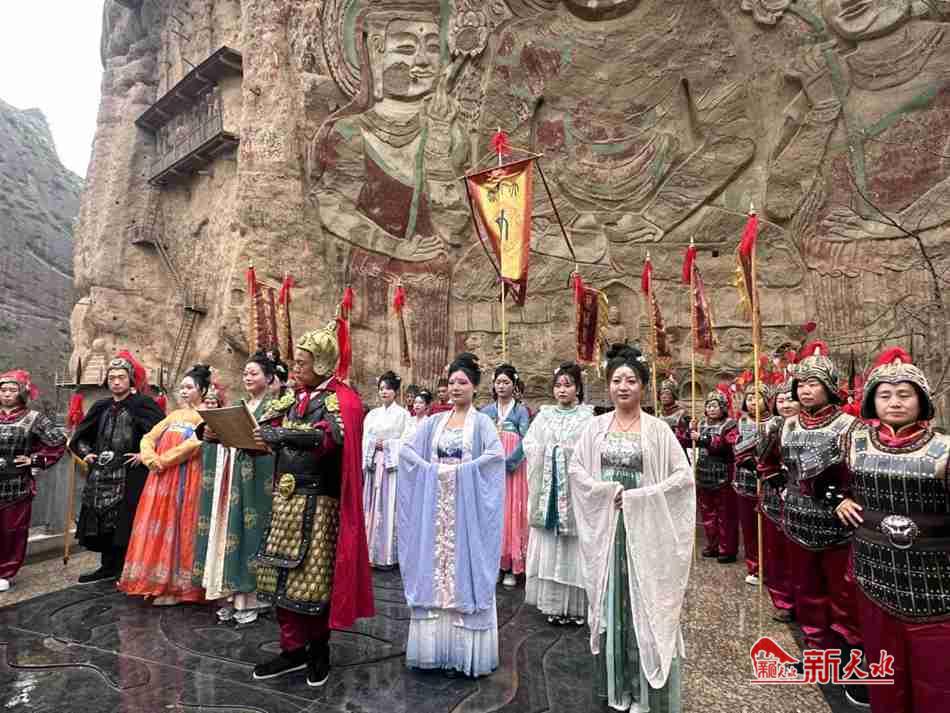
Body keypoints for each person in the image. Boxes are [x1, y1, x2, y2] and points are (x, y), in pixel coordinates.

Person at [569, 344, 694, 712]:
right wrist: (605, 491)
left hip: (646, 529)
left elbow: (683, 477)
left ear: (643, 386)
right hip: (609, 529)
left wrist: (641, 497)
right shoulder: (595, 428)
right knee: (613, 602)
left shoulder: (658, 430)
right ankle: (619, 686)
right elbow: (577, 469)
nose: (623, 387)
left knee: (646, 600)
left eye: (631, 381)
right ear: (608, 385)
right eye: (616, 381)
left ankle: (645, 692)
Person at [252, 321, 373, 687]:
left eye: (303, 362)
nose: (297, 367)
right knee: (279, 575)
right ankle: (292, 649)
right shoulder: (291, 398)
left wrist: (282, 433)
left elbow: (331, 437)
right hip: (285, 500)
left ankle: (318, 650)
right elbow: (262, 430)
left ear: (321, 363)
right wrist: (219, 432)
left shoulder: (342, 399)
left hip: (319, 503)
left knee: (313, 580)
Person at [834, 348, 950, 713]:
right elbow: (824, 482)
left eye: (904, 394)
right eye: (885, 395)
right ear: (872, 401)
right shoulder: (854, 443)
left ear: (922, 401)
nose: (895, 402)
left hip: (936, 581)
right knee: (886, 675)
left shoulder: (945, 449)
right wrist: (838, 500)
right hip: (873, 573)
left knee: (937, 679)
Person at [398, 352, 505, 677]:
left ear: (475, 387)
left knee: (464, 570)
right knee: (433, 569)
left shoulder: (483, 424)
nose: (456, 387)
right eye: (452, 382)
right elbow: (407, 450)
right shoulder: (434, 422)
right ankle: (434, 651)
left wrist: (460, 473)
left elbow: (495, 457)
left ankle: (462, 653)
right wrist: (431, 471)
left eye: (463, 382)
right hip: (435, 512)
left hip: (467, 513)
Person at [781, 342, 864, 703]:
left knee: (843, 597)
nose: (805, 390)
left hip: (838, 526)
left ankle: (850, 661)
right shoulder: (788, 425)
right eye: (800, 384)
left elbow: (861, 476)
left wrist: (841, 499)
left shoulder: (851, 426)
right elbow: (781, 467)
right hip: (798, 520)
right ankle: (817, 653)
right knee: (807, 591)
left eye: (813, 383)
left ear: (829, 387)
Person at [194, 354, 276, 625]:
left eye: (254, 373)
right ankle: (228, 595)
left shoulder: (274, 408)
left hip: (258, 478)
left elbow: (275, 444)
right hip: (233, 476)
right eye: (245, 373)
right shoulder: (241, 405)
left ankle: (252, 599)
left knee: (251, 534)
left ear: (269, 378)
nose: (248, 377)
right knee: (230, 532)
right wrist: (213, 434)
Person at [118, 364, 210, 605]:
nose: (184, 391)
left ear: (203, 390)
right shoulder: (174, 415)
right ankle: (156, 582)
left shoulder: (207, 417)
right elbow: (149, 437)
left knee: (180, 525)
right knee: (161, 525)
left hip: (186, 478)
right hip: (161, 478)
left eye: (189, 387)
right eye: (182, 387)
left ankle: (178, 588)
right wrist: (150, 458)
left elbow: (193, 445)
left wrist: (162, 461)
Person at [69, 352, 164, 584]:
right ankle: (107, 566)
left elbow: (162, 435)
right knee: (101, 520)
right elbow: (80, 437)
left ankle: (126, 567)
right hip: (100, 473)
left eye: (121, 377)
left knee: (125, 521)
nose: (116, 382)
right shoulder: (100, 406)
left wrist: (144, 455)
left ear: (130, 379)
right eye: (112, 378)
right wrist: (86, 453)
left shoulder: (144, 405)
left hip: (131, 473)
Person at [523, 362, 594, 625]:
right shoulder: (544, 416)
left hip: (573, 490)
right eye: (558, 386)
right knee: (551, 545)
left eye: (568, 385)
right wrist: (550, 452)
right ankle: (552, 604)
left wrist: (568, 453)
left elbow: (591, 450)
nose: (562, 390)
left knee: (573, 547)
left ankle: (577, 606)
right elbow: (530, 443)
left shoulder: (588, 418)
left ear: (578, 388)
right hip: (549, 488)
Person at [0, 370, 66, 591]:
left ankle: (5, 572)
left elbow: (58, 441)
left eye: (12, 390)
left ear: (22, 393)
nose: (6, 394)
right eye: (3, 389)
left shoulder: (34, 418)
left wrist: (35, 459)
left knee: (12, 530)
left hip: (17, 484)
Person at [480, 364, 531, 587]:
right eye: (498, 382)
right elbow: (480, 438)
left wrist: (510, 462)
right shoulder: (486, 412)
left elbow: (527, 439)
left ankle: (511, 565)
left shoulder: (520, 411)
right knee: (494, 512)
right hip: (491, 469)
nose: (501, 386)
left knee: (512, 513)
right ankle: (494, 563)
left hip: (513, 469)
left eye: (506, 382)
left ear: (514, 385)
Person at [757, 377, 799, 623]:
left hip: (808, 501)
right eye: (781, 400)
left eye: (790, 399)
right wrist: (777, 482)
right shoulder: (774, 428)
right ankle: (784, 601)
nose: (785, 404)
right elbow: (764, 461)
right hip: (777, 497)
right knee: (778, 553)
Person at [362, 371, 410, 569]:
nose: (384, 392)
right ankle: (368, 550)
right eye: (381, 388)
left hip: (391, 466)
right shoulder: (372, 415)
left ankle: (388, 554)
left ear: (395, 391)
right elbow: (365, 438)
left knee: (390, 505)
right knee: (371, 504)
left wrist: (388, 445)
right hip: (374, 463)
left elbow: (407, 441)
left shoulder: (403, 415)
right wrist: (372, 445)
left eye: (388, 388)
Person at [691, 390, 739, 562]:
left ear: (723, 408)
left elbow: (726, 445)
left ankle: (726, 549)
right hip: (704, 472)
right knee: (708, 513)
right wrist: (691, 431)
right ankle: (713, 545)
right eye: (709, 406)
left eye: (715, 406)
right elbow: (691, 442)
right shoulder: (701, 424)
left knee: (725, 514)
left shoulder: (730, 425)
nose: (711, 409)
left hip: (723, 473)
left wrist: (702, 438)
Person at [732, 383, 770, 585]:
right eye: (750, 398)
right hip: (744, 480)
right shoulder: (742, 421)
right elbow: (736, 447)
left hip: (766, 483)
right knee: (749, 528)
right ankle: (754, 567)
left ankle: (769, 568)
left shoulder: (775, 421)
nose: (753, 401)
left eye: (758, 397)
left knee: (766, 529)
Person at [657, 376, 691, 454]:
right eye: (661, 394)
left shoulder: (682, 413)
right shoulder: (658, 413)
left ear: (673, 395)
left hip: (677, 451)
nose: (664, 396)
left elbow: (687, 437)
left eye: (667, 393)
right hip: (662, 451)